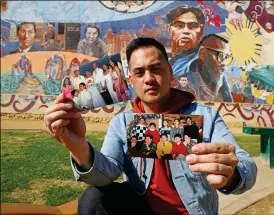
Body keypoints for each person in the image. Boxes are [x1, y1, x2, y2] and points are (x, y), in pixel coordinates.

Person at [44, 37, 257, 215]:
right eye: (139, 72)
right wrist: (76, 145)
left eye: (156, 69)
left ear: (170, 72)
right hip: (140, 209)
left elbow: (245, 165)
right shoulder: (122, 122)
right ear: (130, 79)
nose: (148, 79)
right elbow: (106, 174)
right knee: (93, 198)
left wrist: (232, 174)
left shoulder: (205, 117)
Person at [189, 34, 233, 102]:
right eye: (220, 55)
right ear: (202, 53)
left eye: (226, 57)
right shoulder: (188, 80)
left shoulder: (221, 79)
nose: (225, 63)